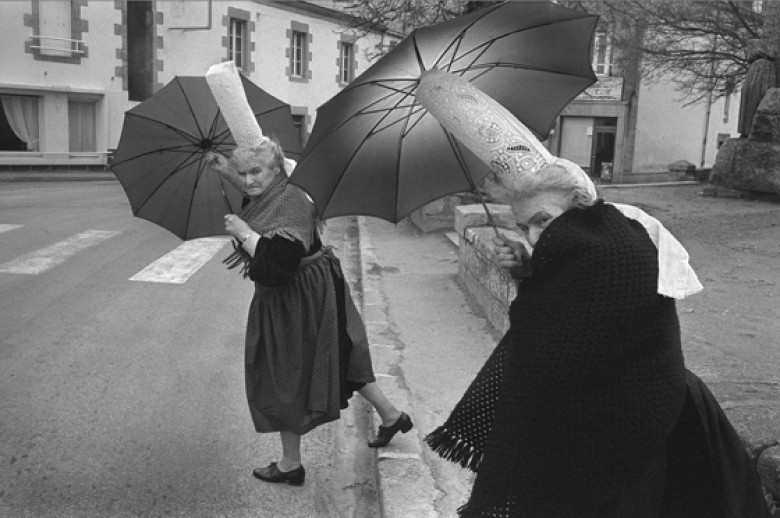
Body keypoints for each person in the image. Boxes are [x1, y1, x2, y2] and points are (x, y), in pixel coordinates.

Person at [425, 158, 772, 517]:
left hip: (647, 426)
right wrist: (530, 271)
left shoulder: (613, 251)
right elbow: (555, 325)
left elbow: (551, 348)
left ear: (579, 207)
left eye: (542, 220)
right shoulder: (588, 246)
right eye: (523, 226)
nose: (532, 236)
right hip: (619, 414)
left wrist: (535, 275)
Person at [208, 139, 412, 487]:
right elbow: (255, 193)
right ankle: (392, 416)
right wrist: (226, 169)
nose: (249, 180)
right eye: (243, 173)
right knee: (337, 357)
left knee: (285, 373)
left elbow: (278, 265)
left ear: (277, 170)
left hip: (297, 295)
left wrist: (244, 234)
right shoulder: (273, 192)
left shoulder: (289, 203)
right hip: (306, 290)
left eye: (256, 171)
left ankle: (290, 465)